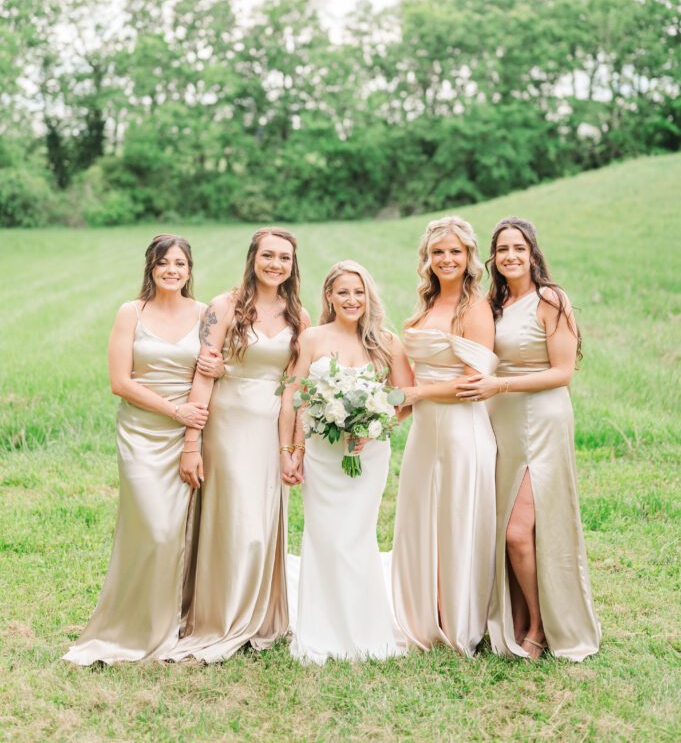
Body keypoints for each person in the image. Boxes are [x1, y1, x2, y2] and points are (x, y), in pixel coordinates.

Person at [63, 234, 223, 664]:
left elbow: (210, 371)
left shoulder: (206, 314)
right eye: (163, 263)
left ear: (190, 270)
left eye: (180, 264)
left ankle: (177, 620)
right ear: (151, 268)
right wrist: (176, 412)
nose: (172, 270)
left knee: (179, 531)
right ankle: (136, 624)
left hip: (187, 434)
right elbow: (121, 383)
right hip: (142, 431)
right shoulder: (130, 313)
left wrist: (218, 372)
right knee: (152, 528)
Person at [457, 216, 601, 661]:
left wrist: (501, 385)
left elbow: (562, 373)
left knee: (520, 532)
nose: (510, 256)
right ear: (493, 258)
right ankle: (512, 618)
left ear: (533, 253)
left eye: (518, 248)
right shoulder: (492, 305)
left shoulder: (550, 300)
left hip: (542, 419)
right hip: (500, 421)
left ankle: (540, 626)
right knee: (502, 527)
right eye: (502, 249)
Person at [165, 227, 309, 662]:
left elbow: (297, 389)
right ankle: (221, 615)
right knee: (233, 521)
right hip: (226, 427)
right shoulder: (224, 307)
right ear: (253, 257)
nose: (275, 264)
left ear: (292, 265)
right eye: (268, 255)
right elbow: (203, 373)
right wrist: (192, 442)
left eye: (284, 258)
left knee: (262, 523)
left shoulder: (299, 317)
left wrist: (293, 448)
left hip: (272, 429)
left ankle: (260, 616)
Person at [280, 260, 412, 663]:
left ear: (368, 296)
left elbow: (406, 399)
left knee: (356, 535)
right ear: (329, 297)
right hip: (323, 454)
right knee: (324, 536)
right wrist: (291, 450)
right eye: (343, 292)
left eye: (359, 292)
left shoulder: (387, 342)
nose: (352, 300)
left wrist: (373, 425)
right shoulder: (312, 338)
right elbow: (293, 396)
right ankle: (321, 628)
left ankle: (364, 626)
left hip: (368, 454)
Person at [391, 216, 498, 656]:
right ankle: (426, 609)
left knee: (455, 517)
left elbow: (474, 382)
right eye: (438, 252)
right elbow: (407, 373)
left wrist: (417, 392)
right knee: (423, 517)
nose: (446, 259)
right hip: (424, 430)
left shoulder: (474, 308)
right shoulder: (425, 306)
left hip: (460, 429)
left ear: (469, 256)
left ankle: (456, 616)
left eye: (455, 251)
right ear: (427, 259)